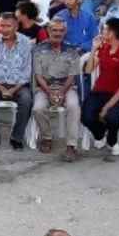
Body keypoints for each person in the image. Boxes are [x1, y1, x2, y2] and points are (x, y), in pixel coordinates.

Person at [79, 19, 119, 156]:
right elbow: (88, 70)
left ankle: (112, 141)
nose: (103, 32)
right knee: (86, 117)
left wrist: (107, 106)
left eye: (105, 29)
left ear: (112, 32)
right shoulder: (103, 48)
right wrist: (94, 49)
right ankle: (100, 132)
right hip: (99, 91)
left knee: (113, 117)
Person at [31, 19, 82, 161]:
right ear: (49, 31)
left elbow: (72, 76)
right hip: (44, 87)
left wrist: (60, 92)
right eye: (54, 30)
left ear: (65, 32)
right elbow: (38, 75)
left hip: (67, 87)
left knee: (74, 106)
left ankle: (71, 145)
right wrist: (49, 93)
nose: (57, 33)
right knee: (37, 108)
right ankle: (47, 137)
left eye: (60, 31)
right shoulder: (39, 49)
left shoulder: (72, 50)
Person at [0, 15, 34, 150]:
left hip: (18, 84)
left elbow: (27, 70)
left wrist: (14, 89)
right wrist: (1, 88)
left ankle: (16, 138)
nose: (4, 29)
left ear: (16, 27)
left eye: (8, 26)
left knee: (27, 100)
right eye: (1, 26)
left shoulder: (26, 42)